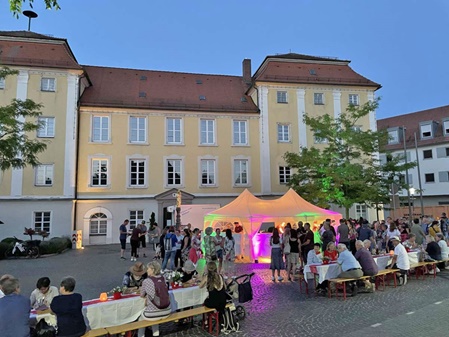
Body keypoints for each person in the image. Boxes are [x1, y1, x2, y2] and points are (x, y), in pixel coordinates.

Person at [138, 261, 171, 337]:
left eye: (148, 269)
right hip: (167, 311)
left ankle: (140, 335)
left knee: (141, 319)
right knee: (154, 313)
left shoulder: (146, 281)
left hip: (153, 314)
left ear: (152, 270)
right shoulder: (163, 278)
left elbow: (141, 295)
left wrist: (147, 295)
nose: (147, 270)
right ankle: (156, 334)